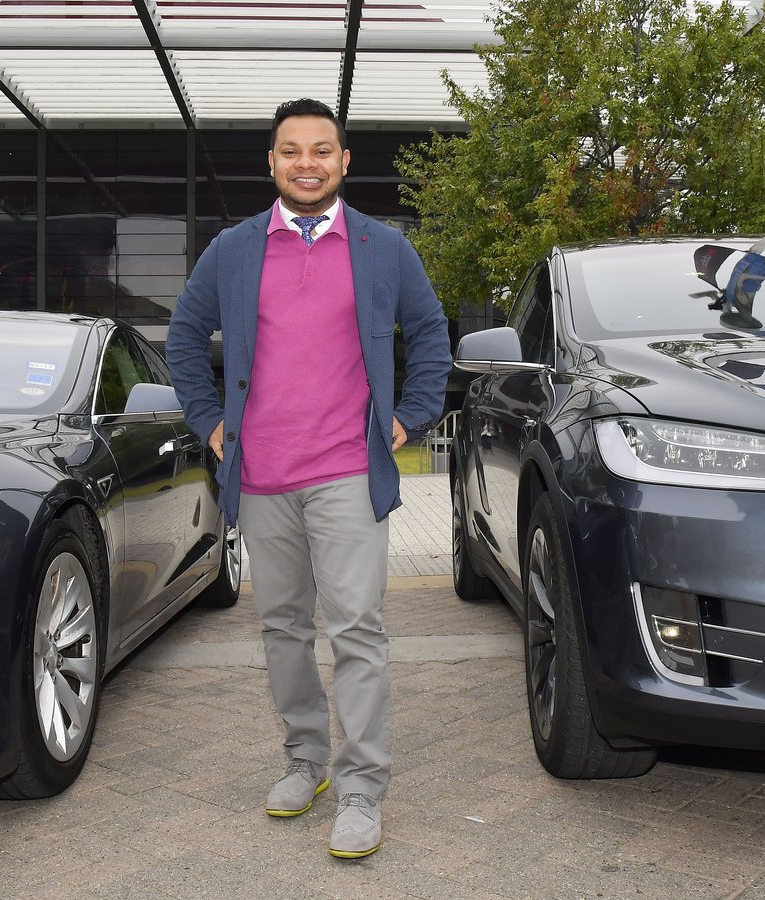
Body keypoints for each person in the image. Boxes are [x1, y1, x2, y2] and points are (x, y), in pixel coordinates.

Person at [165, 98, 451, 859]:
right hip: (259, 474)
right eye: (291, 150)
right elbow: (186, 337)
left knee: (357, 629)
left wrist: (409, 418)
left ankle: (361, 788)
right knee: (283, 629)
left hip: (349, 471)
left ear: (344, 161)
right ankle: (305, 760)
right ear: (272, 163)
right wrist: (210, 423)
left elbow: (430, 335)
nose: (307, 163)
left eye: (321, 149)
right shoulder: (232, 248)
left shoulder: (382, 247)